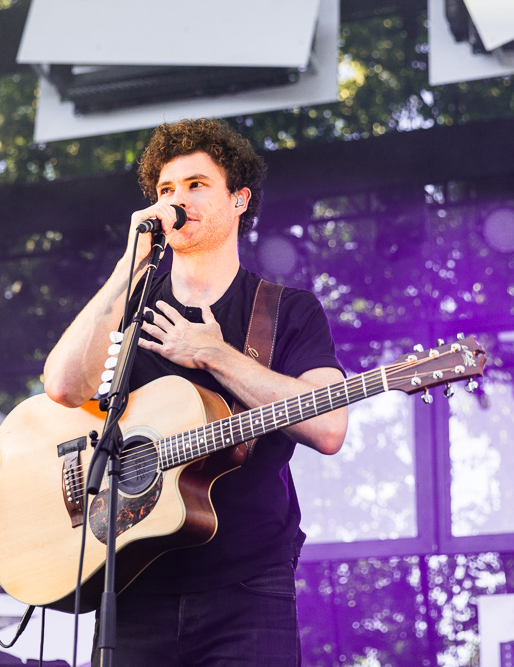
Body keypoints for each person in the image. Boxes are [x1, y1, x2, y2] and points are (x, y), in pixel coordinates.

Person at [43, 118, 348, 666]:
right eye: (166, 189)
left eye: (196, 184)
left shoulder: (288, 311)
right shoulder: (131, 307)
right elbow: (63, 387)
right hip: (133, 579)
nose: (176, 200)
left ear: (239, 200)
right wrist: (130, 266)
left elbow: (328, 428)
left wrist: (215, 353)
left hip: (248, 587)